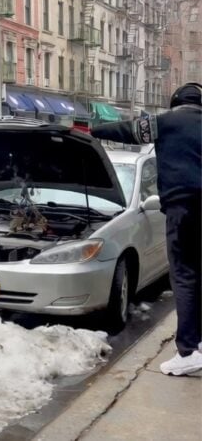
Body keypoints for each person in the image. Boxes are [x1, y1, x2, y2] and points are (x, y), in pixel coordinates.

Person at [91, 83, 202, 376]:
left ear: (175, 101)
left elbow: (126, 130)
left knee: (185, 277)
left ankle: (188, 351)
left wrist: (93, 131)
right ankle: (198, 341)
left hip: (183, 209)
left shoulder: (165, 122)